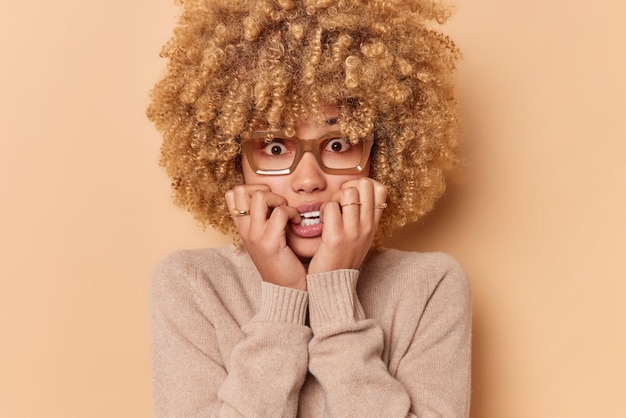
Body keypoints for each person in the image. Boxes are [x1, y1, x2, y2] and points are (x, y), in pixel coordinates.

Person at [147, 0, 471, 416]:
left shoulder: (431, 286)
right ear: (232, 162)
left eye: (337, 146)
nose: (308, 179)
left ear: (383, 157)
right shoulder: (191, 285)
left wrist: (335, 294)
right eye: (275, 147)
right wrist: (283, 299)